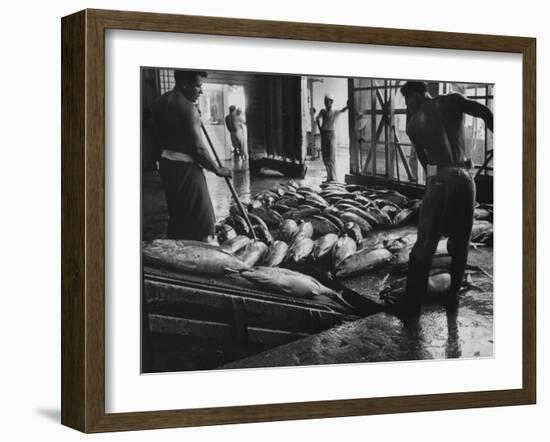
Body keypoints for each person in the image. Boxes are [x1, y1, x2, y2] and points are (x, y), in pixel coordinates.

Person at [398, 81, 493, 310]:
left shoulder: (413, 125)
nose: (408, 105)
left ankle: (413, 300)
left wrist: (432, 184)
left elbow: (426, 161)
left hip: (440, 178)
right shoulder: (452, 100)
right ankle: (453, 295)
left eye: (407, 101)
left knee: (425, 243)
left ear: (412, 97)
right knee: (461, 241)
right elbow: (485, 112)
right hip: (465, 177)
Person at [152, 69, 232, 241]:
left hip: (167, 165)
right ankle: (202, 256)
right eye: (198, 86)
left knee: (179, 214)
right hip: (186, 166)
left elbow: (158, 137)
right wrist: (218, 169)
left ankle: (179, 250)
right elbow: (198, 149)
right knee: (204, 221)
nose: (201, 91)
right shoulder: (188, 108)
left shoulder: (160, 102)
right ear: (184, 84)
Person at [315, 93, 348, 182]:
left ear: (331, 102)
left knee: (331, 156)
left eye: (327, 101)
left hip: (332, 134)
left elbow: (343, 110)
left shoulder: (335, 111)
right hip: (324, 134)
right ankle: (329, 176)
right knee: (325, 156)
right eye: (324, 101)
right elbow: (317, 118)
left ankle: (333, 177)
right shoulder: (323, 111)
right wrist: (320, 129)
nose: (325, 103)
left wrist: (348, 105)